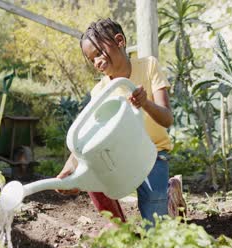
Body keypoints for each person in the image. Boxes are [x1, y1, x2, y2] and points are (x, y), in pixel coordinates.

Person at [56, 18, 174, 226]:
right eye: (91, 60)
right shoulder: (100, 92)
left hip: (153, 155)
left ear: (119, 41)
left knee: (156, 224)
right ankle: (120, 230)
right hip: (121, 157)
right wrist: (69, 169)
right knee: (91, 176)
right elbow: (85, 137)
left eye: (99, 53)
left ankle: (170, 195)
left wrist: (145, 103)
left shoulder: (148, 66)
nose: (97, 63)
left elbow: (167, 119)